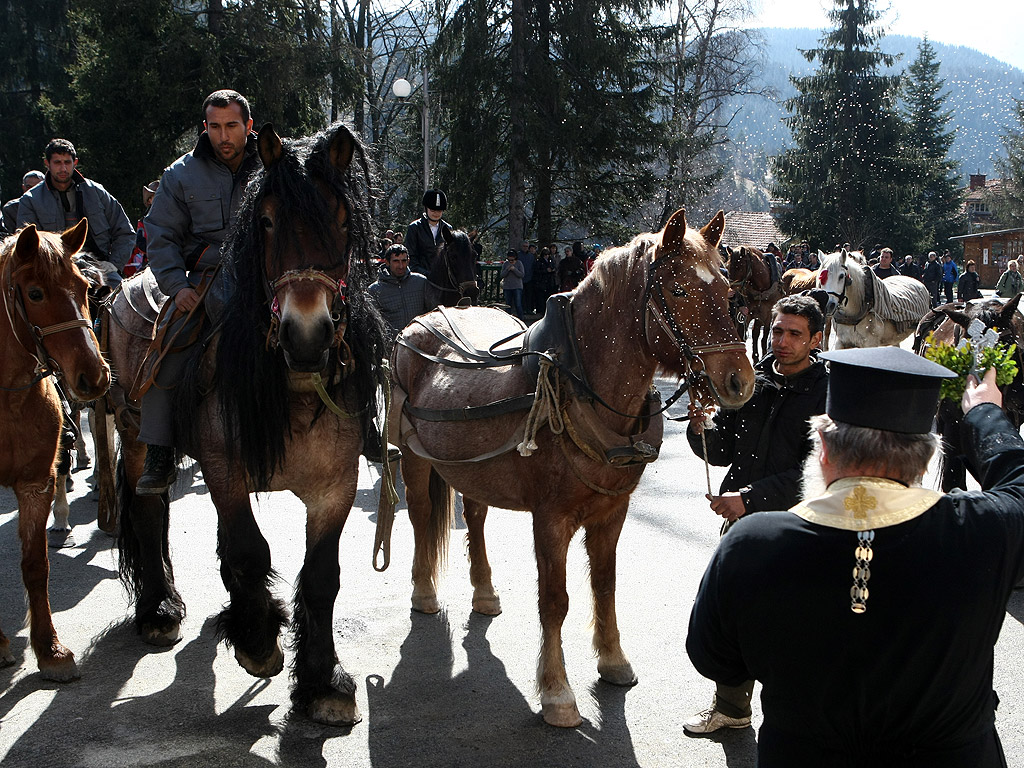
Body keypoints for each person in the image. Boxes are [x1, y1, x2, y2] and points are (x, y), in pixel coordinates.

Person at [687, 345, 1024, 766]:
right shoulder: (983, 532)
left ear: (823, 449)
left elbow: (711, 654)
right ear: (925, 460)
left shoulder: (752, 544)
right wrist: (984, 414)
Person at [683, 294, 828, 735]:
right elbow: (723, 448)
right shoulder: (754, 378)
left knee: (793, 624)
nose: (781, 341)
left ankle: (801, 722)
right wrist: (700, 425)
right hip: (742, 524)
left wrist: (751, 497)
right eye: (778, 330)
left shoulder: (829, 392)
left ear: (816, 338)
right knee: (734, 614)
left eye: (794, 334)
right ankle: (731, 708)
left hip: (802, 525)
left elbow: (817, 468)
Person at [135, 89, 262, 495]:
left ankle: (364, 428)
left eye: (232, 126)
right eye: (214, 127)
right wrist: (177, 287)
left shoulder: (277, 166)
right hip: (204, 281)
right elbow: (161, 235)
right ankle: (158, 452)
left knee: (335, 331)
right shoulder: (180, 174)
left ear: (248, 126)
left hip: (269, 278)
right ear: (204, 127)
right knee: (167, 349)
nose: (223, 136)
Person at [17, 139, 134, 281]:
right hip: (53, 273)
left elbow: (126, 232)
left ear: (75, 163)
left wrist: (113, 264)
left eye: (67, 162)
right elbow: (28, 245)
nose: (63, 169)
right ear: (47, 163)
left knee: (124, 298)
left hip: (99, 269)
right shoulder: (30, 200)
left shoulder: (96, 192)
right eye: (57, 163)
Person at [367, 243, 429, 338]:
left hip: (421, 344)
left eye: (403, 261)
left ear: (408, 261)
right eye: (396, 261)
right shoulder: (375, 290)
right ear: (387, 262)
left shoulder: (421, 282)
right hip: (393, 347)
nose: (400, 266)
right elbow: (373, 326)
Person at [405, 189, 449, 275]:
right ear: (426, 208)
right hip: (419, 277)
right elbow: (411, 256)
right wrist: (426, 274)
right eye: (433, 210)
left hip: (442, 279)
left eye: (439, 211)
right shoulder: (414, 228)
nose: (436, 213)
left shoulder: (447, 228)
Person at [124, 179, 161, 277]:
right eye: (155, 196)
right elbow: (141, 244)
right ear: (149, 200)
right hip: (151, 262)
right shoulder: (144, 222)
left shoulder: (177, 216)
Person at [2, 170, 44, 234]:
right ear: (23, 187)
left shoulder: (53, 205)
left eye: (37, 187)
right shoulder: (11, 209)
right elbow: (9, 235)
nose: (32, 190)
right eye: (29, 187)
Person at [500, 249, 525, 319]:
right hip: (507, 287)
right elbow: (502, 275)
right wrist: (507, 269)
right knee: (508, 304)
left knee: (518, 304)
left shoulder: (519, 263)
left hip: (517, 286)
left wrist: (514, 269)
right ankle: (508, 318)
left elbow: (522, 275)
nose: (510, 261)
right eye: (509, 259)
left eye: (512, 260)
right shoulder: (505, 264)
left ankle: (521, 318)